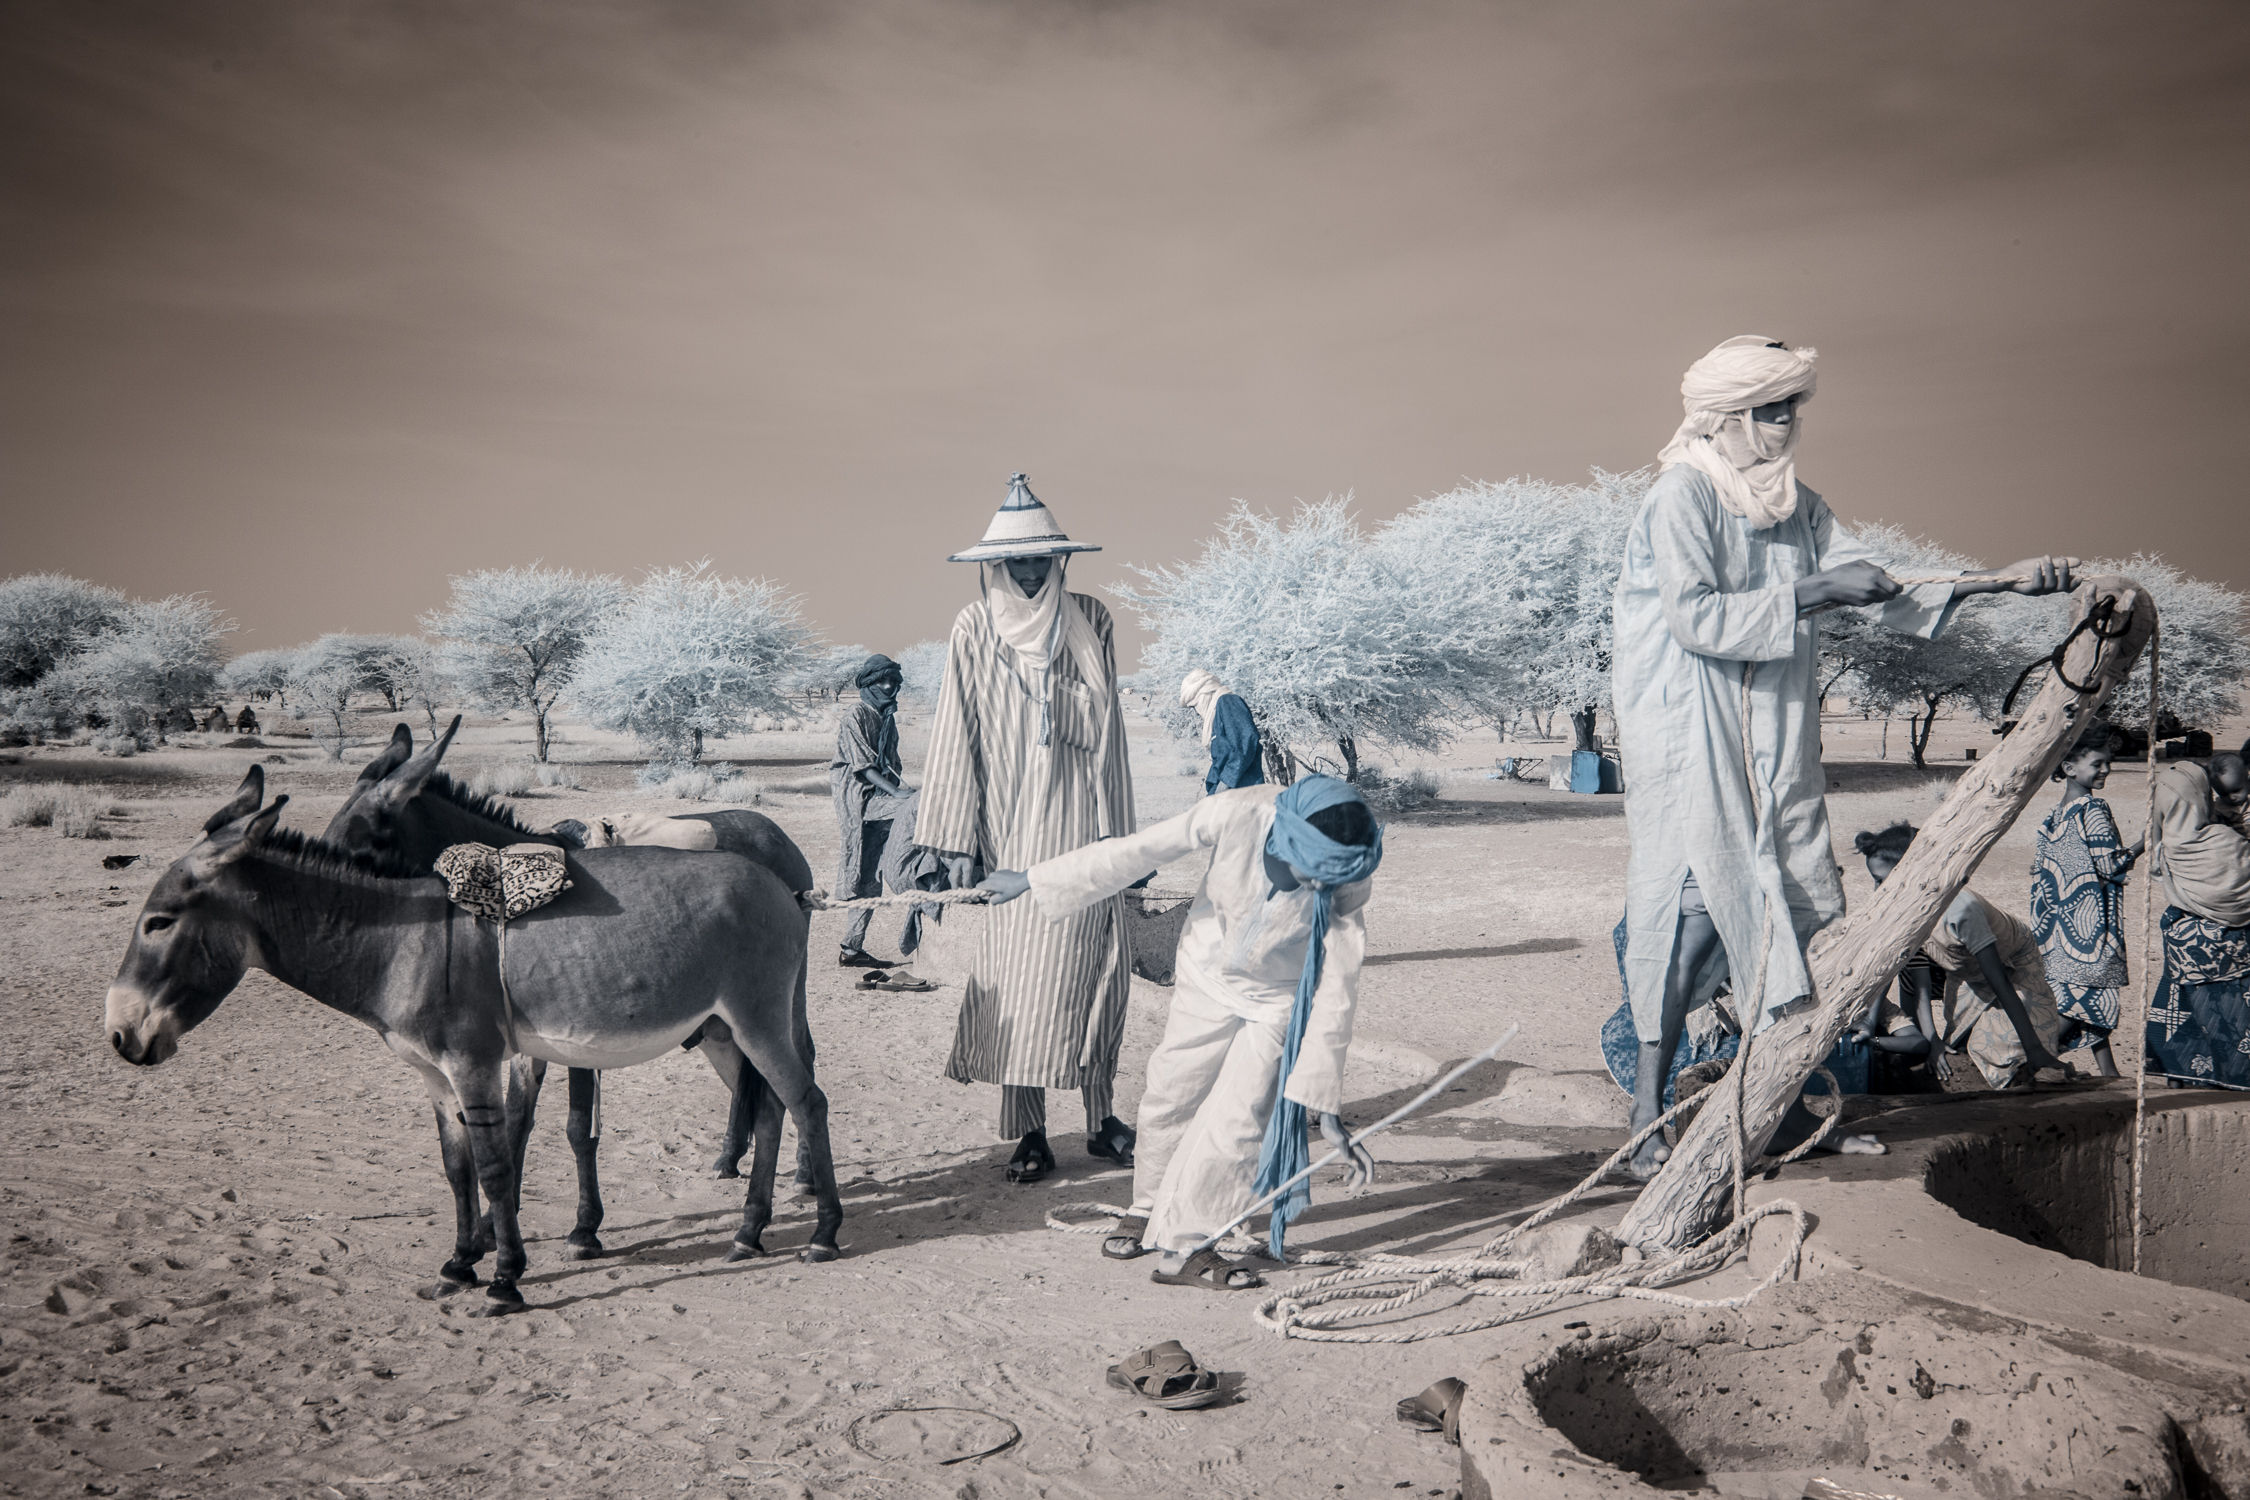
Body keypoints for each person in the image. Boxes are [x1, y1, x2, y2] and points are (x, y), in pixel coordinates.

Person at [1613, 334, 2076, 1177]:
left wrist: (1994, 582)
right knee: (1688, 926)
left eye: (1795, 406)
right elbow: (1695, 618)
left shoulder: (1798, 505)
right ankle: (1646, 1116)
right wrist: (1814, 592)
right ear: (1726, 415)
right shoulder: (1680, 496)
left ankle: (1780, 1110)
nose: (1788, 421)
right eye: (1771, 408)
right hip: (1694, 736)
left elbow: (1876, 579)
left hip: (1778, 736)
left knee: (1803, 912)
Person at [977, 776, 1380, 1290]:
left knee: (1241, 1122)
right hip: (1206, 973)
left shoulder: (1348, 871)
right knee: (1171, 1095)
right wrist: (1033, 879)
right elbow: (1140, 850)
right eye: (1315, 875)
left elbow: (1338, 982)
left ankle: (1188, 1245)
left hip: (1278, 1000)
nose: (1321, 889)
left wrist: (1325, 1110)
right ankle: (1146, 1209)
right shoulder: (1238, 812)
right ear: (1284, 837)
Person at [915, 474, 1139, 1182]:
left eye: (1042, 557)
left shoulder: (1092, 619)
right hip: (1012, 838)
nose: (1032, 568)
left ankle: (1101, 1118)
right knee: (1022, 987)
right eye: (1019, 559)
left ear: (1060, 560)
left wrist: (1128, 842)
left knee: (1097, 979)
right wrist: (951, 839)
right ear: (997, 564)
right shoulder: (974, 627)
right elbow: (958, 731)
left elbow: (1114, 735)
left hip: (1087, 829)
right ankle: (1031, 1133)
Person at [1856, 823, 2068, 1089]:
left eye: (1882, 881)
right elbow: (1917, 982)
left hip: (2013, 966)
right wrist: (1929, 1039)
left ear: (1910, 873)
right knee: (1954, 1047)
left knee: (2006, 1055)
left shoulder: (1960, 910)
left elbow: (2000, 982)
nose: (1877, 891)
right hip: (1965, 972)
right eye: (1874, 880)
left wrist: (2034, 1048)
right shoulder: (1902, 913)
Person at [2031, 726, 2143, 1076]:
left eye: (2108, 762)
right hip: (2089, 932)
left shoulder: (2054, 815)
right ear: (2069, 768)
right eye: (2098, 763)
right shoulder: (2092, 809)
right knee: (2080, 1005)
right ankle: (2024, 1062)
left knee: (2077, 1001)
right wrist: (2148, 841)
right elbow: (2112, 864)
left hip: (2058, 933)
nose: (2106, 770)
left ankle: (2109, 1075)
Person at [829, 653, 945, 973]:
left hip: (881, 800)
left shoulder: (887, 719)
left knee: (868, 881)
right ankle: (922, 889)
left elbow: (891, 766)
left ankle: (852, 948)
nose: (889, 686)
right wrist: (899, 794)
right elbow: (864, 766)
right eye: (883, 680)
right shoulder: (857, 714)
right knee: (923, 811)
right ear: (868, 683)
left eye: (894, 681)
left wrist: (899, 789)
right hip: (862, 803)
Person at [2144, 753, 2250, 1090]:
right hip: (2228, 956)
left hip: (2182, 953)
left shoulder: (2165, 849)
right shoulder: (2223, 840)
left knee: (2187, 1021)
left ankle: (2183, 1080)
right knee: (2231, 1026)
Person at [1179, 669, 1265, 795]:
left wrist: (1226, 782)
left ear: (1204, 693)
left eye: (1194, 705)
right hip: (1228, 789)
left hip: (1239, 791)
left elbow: (1247, 738)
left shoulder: (1227, 701)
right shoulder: (1217, 712)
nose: (1196, 711)